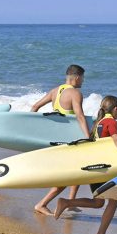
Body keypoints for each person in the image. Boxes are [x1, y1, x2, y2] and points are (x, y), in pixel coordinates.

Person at [53, 95, 117, 234]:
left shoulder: (98, 122)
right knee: (113, 201)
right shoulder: (111, 122)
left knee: (99, 203)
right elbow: (116, 139)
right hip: (103, 168)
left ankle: (67, 203)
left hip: (97, 167)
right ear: (116, 109)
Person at [30, 64, 91, 215]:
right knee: (67, 177)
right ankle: (41, 204)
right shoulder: (75, 94)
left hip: (57, 139)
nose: (83, 81)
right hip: (70, 141)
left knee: (79, 170)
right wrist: (88, 137)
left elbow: (35, 107)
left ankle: (71, 202)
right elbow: (79, 116)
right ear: (77, 77)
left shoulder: (55, 91)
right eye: (82, 78)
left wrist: (33, 130)